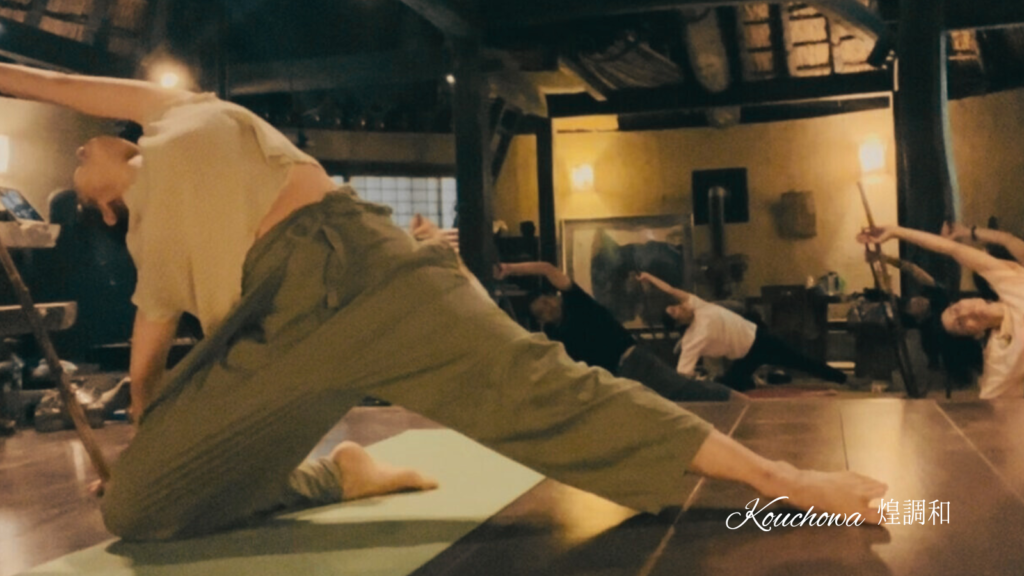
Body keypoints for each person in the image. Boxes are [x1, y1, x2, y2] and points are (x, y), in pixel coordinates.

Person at [0, 62, 885, 540]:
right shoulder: (148, 247)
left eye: (84, 151)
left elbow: (54, 86)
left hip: (370, 269)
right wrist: (151, 448)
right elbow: (151, 371)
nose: (81, 153)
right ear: (103, 206)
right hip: (283, 325)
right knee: (137, 511)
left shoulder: (172, 113)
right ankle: (340, 476)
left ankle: (782, 480)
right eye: (77, 171)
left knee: (548, 389)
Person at [495, 261, 738, 402]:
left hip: (632, 362)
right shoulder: (555, 335)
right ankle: (734, 401)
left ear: (553, 298)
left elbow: (547, 269)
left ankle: (737, 400)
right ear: (541, 319)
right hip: (617, 379)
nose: (548, 307)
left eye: (546, 302)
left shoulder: (575, 302)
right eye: (542, 310)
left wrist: (509, 268)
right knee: (673, 402)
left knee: (684, 391)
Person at [858, 224, 1024, 399]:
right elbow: (993, 404)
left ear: (963, 300)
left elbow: (953, 249)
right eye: (961, 324)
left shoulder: (1010, 283)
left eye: (957, 309)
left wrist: (896, 231)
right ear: (976, 334)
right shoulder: (1000, 355)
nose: (965, 314)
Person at [638, 273, 859, 391]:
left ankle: (846, 380)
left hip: (759, 339)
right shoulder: (691, 340)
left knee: (801, 360)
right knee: (728, 387)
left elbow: (670, 289)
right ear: (678, 323)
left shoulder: (697, 305)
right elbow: (682, 374)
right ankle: (748, 382)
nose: (680, 306)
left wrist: (649, 278)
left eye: (676, 306)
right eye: (675, 311)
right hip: (744, 357)